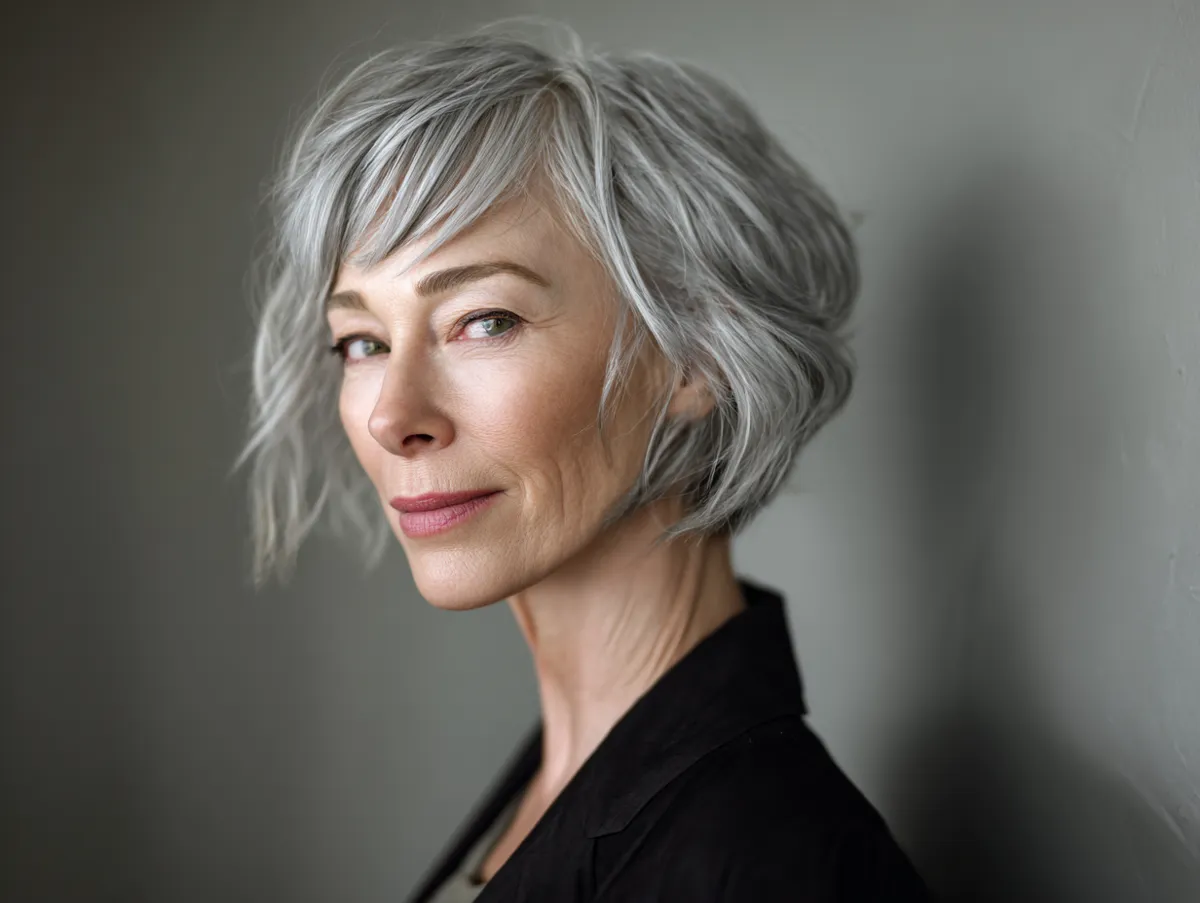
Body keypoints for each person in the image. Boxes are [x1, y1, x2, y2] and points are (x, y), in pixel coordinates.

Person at [234, 21, 931, 902]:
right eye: (362, 339)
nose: (391, 416)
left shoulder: (775, 865)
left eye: (484, 320)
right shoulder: (560, 784)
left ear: (696, 354)